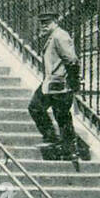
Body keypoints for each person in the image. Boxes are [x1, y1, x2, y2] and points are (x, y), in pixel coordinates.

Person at [29, 12, 85, 160]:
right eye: (41, 23)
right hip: (52, 83)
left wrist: (73, 81)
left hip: (60, 83)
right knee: (41, 109)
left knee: (60, 116)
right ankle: (59, 142)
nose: (43, 26)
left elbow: (72, 60)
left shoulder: (60, 36)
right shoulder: (54, 36)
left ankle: (66, 147)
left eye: (47, 22)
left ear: (55, 21)